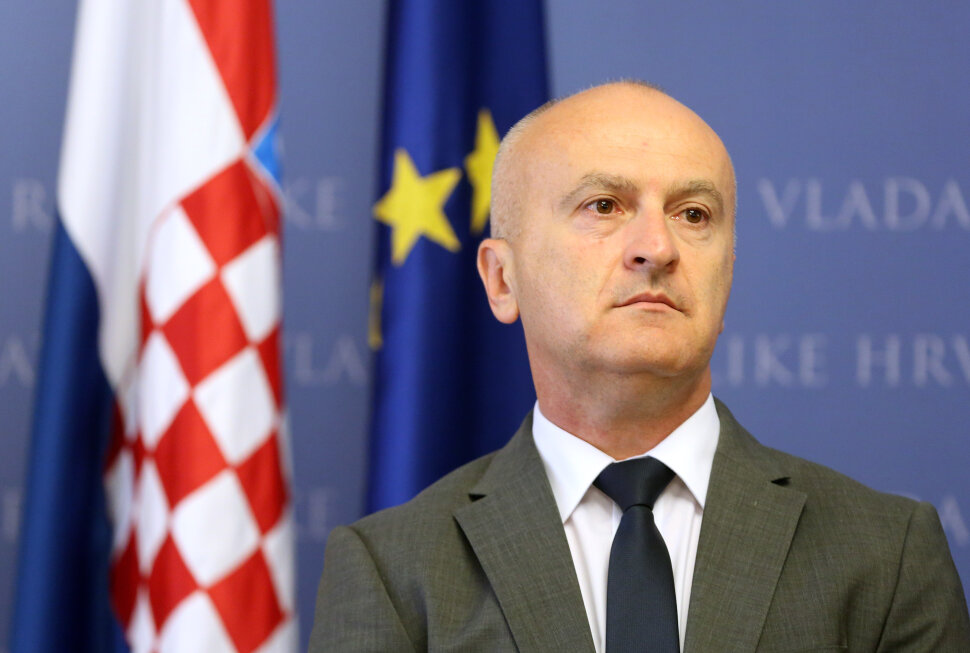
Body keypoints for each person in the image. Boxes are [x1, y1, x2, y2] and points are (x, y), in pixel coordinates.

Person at [310, 82, 970, 652]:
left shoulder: (886, 557)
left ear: (727, 276)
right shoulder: (392, 571)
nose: (657, 247)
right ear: (503, 279)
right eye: (604, 205)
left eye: (693, 214)